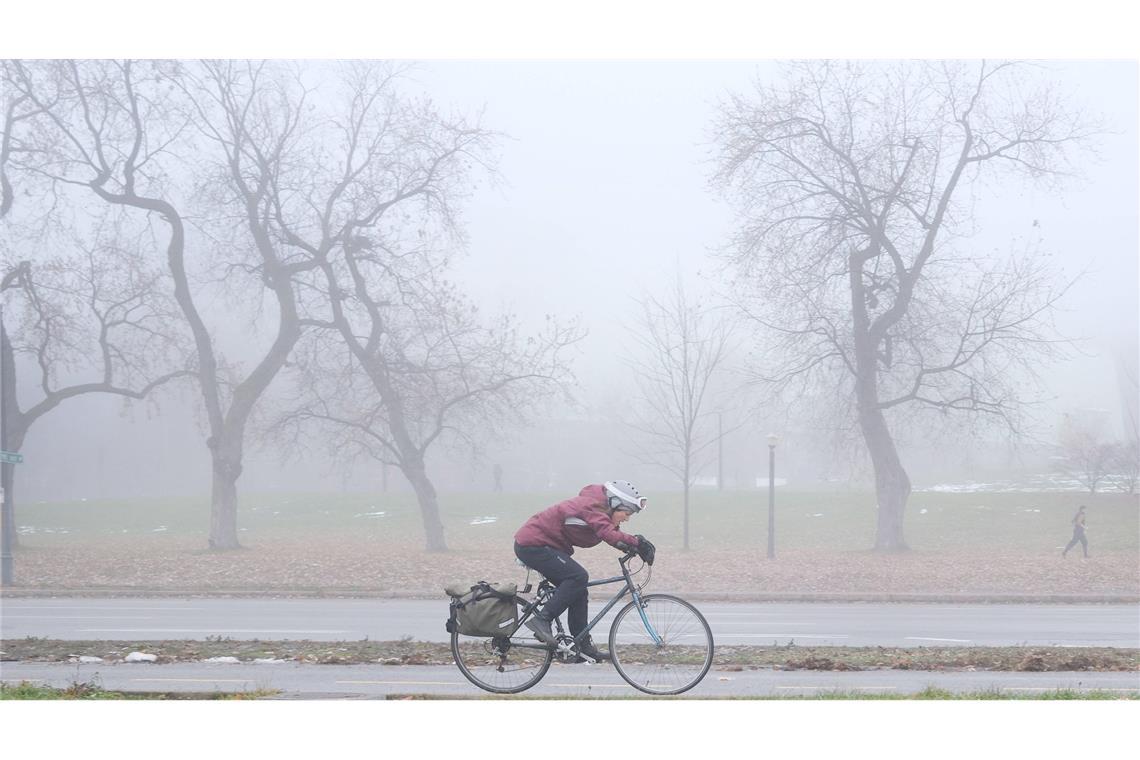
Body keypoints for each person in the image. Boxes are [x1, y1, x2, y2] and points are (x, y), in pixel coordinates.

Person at [513, 480, 655, 663]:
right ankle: (542, 620)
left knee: (578, 589)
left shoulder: (599, 509)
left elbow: (607, 532)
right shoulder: (592, 506)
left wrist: (630, 546)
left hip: (545, 546)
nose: (627, 519)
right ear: (614, 504)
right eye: (626, 513)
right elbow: (607, 533)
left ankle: (582, 647)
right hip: (533, 545)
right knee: (578, 577)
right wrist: (637, 542)